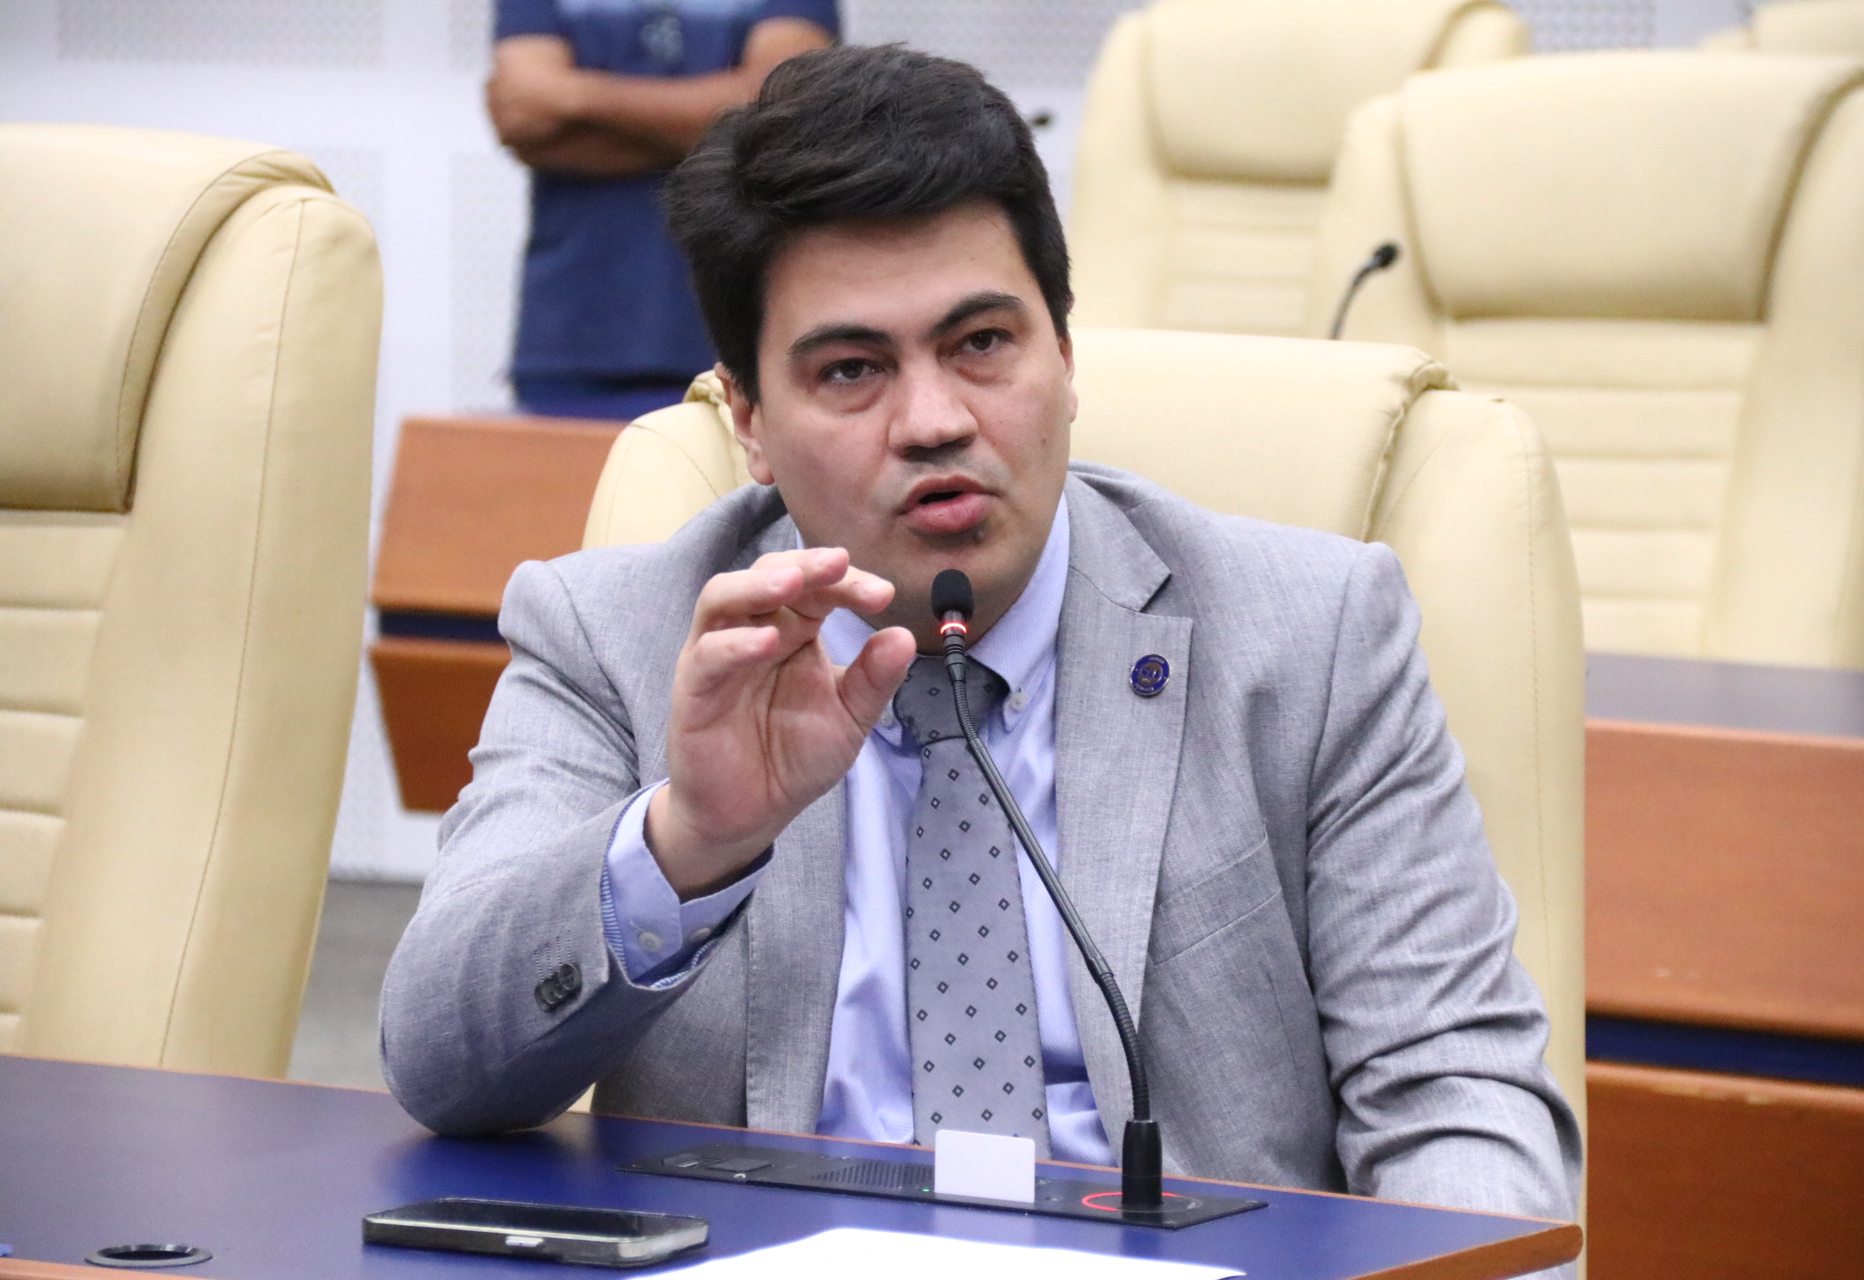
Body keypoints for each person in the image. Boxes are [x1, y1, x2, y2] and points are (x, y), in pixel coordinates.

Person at [384, 44, 1581, 1237]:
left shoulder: (1308, 636)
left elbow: (1459, 1099)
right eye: (852, 369)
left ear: (1064, 354)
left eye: (982, 344)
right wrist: (689, 841)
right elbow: (440, 1063)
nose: (935, 420)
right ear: (748, 420)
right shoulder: (617, 635)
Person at [487, 0, 836, 422]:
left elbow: (781, 112)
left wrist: (572, 94)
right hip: (574, 338)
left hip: (745, 334)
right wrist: (721, 129)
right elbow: (522, 113)